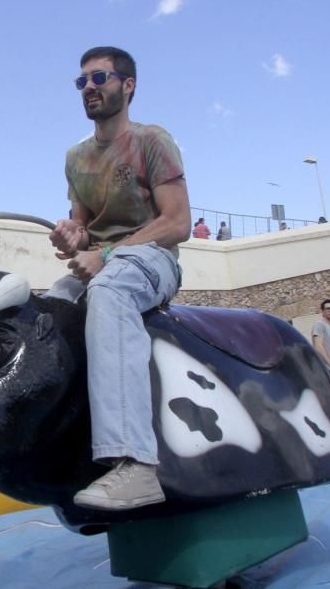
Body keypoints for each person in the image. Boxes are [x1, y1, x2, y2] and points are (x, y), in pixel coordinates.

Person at [48, 46, 190, 511]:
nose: (90, 87)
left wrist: (105, 254)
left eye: (100, 78)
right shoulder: (75, 158)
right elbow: (82, 227)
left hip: (152, 260)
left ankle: (135, 464)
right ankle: (65, 443)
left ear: (127, 86)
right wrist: (74, 235)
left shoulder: (152, 141)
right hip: (105, 260)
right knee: (51, 306)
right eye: (82, 81)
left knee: (108, 290)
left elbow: (177, 223)